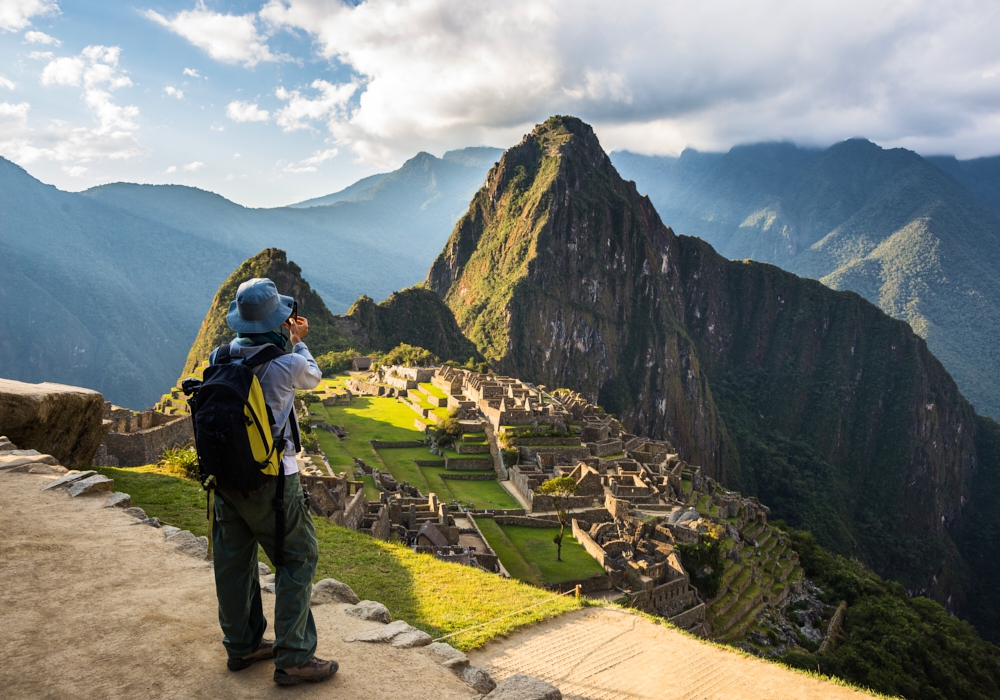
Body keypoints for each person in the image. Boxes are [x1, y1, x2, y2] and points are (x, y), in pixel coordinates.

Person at [208, 277, 337, 686]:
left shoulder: (219, 356)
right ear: (278, 320)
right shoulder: (289, 362)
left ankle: (242, 644)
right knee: (298, 558)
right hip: (274, 481)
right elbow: (313, 376)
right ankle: (295, 656)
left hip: (224, 478)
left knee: (233, 562)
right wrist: (297, 340)